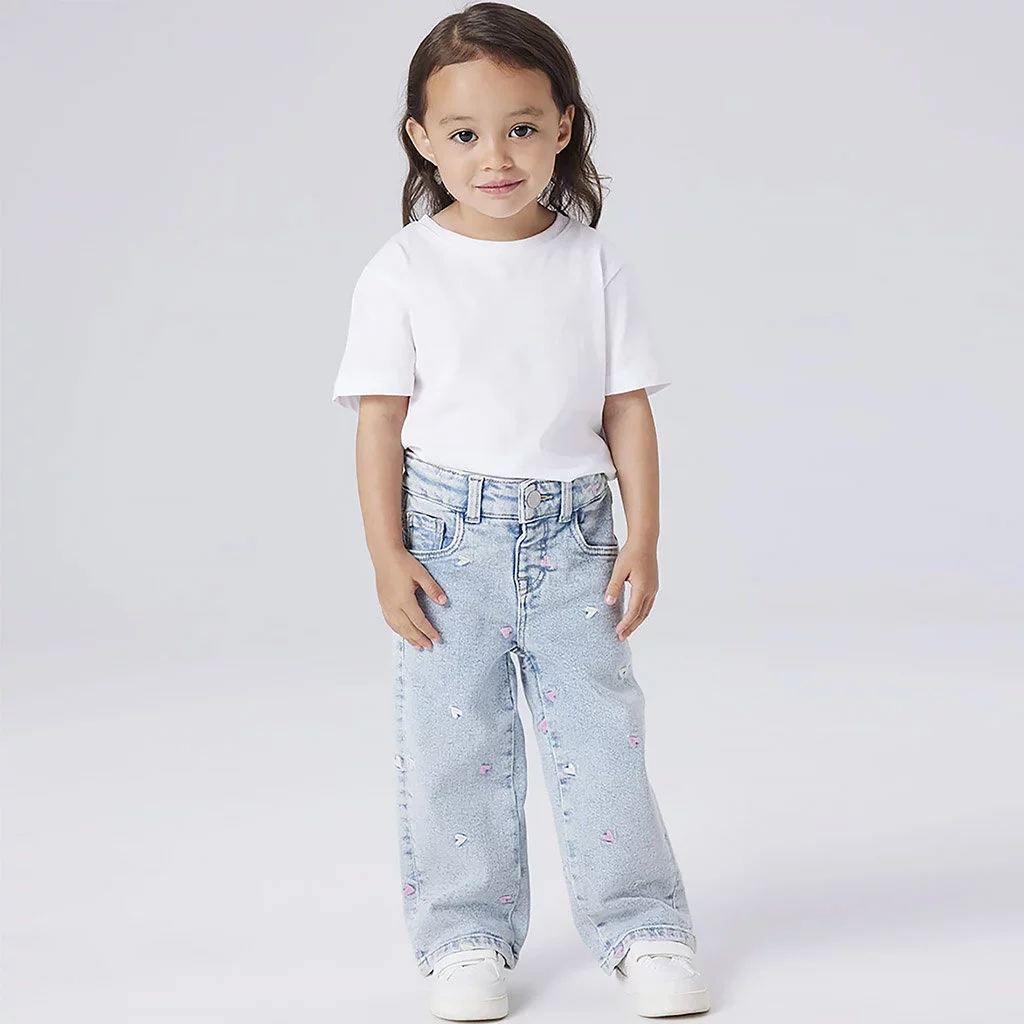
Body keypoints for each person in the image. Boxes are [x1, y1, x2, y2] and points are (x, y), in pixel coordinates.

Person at [331, 4, 711, 1019]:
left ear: (563, 127)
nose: (494, 156)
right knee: (453, 749)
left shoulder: (591, 260)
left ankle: (644, 927)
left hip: (574, 537)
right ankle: (464, 939)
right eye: (464, 133)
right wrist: (385, 554)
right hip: (446, 542)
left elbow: (625, 408)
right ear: (422, 138)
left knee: (602, 738)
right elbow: (379, 422)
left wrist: (644, 536)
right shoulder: (402, 269)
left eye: (521, 128)